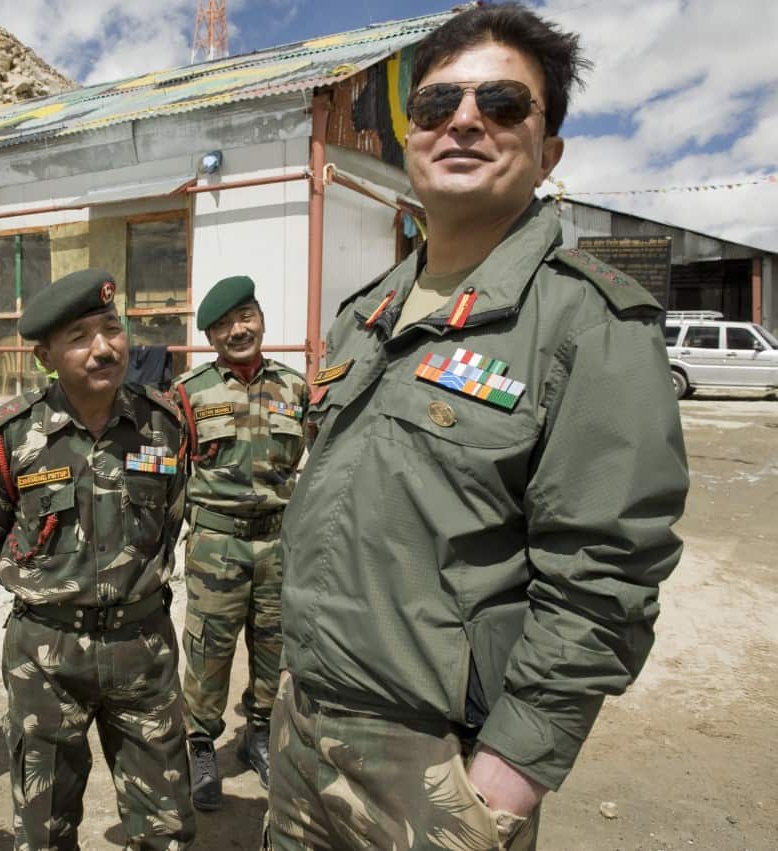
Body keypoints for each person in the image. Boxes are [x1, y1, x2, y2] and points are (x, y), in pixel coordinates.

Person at [267, 5, 690, 849]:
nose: (463, 120)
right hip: (303, 727)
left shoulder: (587, 320)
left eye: (502, 104)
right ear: (411, 135)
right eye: (437, 104)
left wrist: (507, 774)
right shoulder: (367, 313)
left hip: (435, 760)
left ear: (548, 151)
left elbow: (605, 571)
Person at [0, 268, 195, 850]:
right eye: (80, 337)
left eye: (111, 328)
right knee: (44, 826)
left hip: (142, 648)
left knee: (166, 826)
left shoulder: (164, 425)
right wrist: (58, 590)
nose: (104, 348)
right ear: (46, 354)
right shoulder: (11, 436)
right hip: (46, 655)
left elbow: (171, 521)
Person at [170, 276, 307, 810]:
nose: (238, 329)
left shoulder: (297, 388)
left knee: (275, 647)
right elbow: (167, 474)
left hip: (279, 544)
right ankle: (200, 745)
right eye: (224, 324)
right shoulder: (189, 391)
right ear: (210, 337)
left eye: (246, 316)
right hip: (216, 546)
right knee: (207, 650)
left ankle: (258, 736)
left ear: (262, 320)